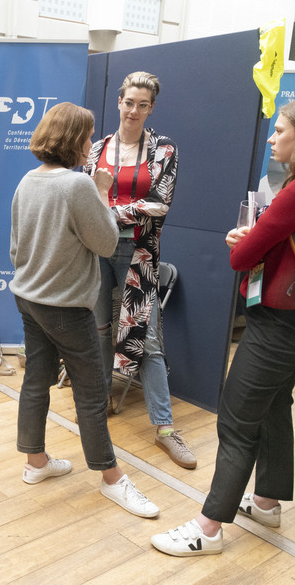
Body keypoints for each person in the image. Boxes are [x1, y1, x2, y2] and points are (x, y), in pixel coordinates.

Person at [151, 96, 295, 556]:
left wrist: (243, 240)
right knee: (273, 406)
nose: (272, 138)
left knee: (236, 420)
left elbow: (242, 257)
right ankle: (267, 502)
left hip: (278, 324)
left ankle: (208, 529)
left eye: (281, 130)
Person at [10, 101, 160, 518]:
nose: (92, 142)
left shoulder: (27, 180)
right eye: (88, 135)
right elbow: (107, 244)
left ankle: (35, 462)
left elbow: (16, 248)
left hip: (29, 299)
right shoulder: (77, 185)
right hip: (65, 306)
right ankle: (112, 478)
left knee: (36, 380)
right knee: (92, 394)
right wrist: (101, 191)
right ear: (74, 139)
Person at [84, 71, 196, 469]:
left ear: (151, 108)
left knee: (146, 341)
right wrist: (107, 209)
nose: (134, 110)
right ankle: (99, 404)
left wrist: (107, 208)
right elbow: (85, 199)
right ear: (119, 101)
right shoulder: (98, 148)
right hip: (97, 249)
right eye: (129, 102)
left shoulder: (163, 148)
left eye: (142, 105)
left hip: (139, 252)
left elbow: (159, 204)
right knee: (99, 329)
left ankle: (165, 429)